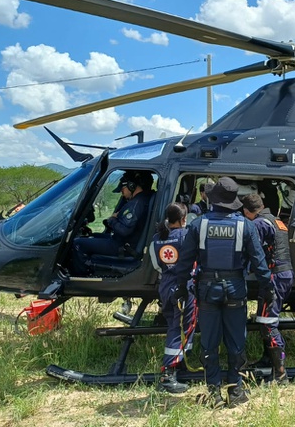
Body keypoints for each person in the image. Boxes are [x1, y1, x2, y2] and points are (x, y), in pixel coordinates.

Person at [173, 177, 273, 408]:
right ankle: (235, 389)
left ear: (214, 199)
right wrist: (268, 289)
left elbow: (185, 262)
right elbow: (259, 263)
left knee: (209, 341)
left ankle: (213, 392)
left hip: (207, 290)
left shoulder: (198, 225)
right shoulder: (245, 226)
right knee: (236, 340)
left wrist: (180, 287)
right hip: (236, 289)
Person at [241, 193, 294, 384]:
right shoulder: (277, 221)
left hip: (274, 277)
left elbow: (252, 249)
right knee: (266, 318)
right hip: (285, 274)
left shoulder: (259, 224)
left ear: (247, 212)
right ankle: (268, 359)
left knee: (268, 324)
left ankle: (280, 374)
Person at [149, 202, 196, 394]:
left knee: (173, 326)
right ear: (184, 219)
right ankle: (168, 374)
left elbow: (157, 266)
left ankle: (178, 363)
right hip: (184, 287)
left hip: (166, 287)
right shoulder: (188, 236)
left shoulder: (156, 239)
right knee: (182, 329)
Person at [70, 170, 153, 275]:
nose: (122, 193)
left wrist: (112, 220)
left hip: (123, 247)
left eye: (122, 189)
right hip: (125, 243)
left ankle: (80, 277)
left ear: (131, 186)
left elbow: (124, 231)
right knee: (92, 236)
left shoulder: (136, 204)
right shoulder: (143, 199)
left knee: (78, 243)